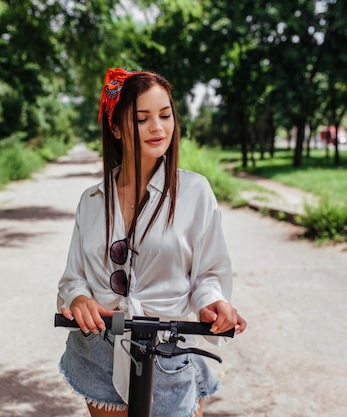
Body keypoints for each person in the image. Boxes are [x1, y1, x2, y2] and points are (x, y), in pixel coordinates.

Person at [57, 67, 246, 417]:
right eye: (142, 119)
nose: (158, 128)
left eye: (165, 115)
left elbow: (208, 274)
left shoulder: (194, 192)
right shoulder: (93, 200)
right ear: (115, 128)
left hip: (168, 351)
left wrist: (212, 302)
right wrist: (79, 298)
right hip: (99, 351)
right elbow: (73, 278)